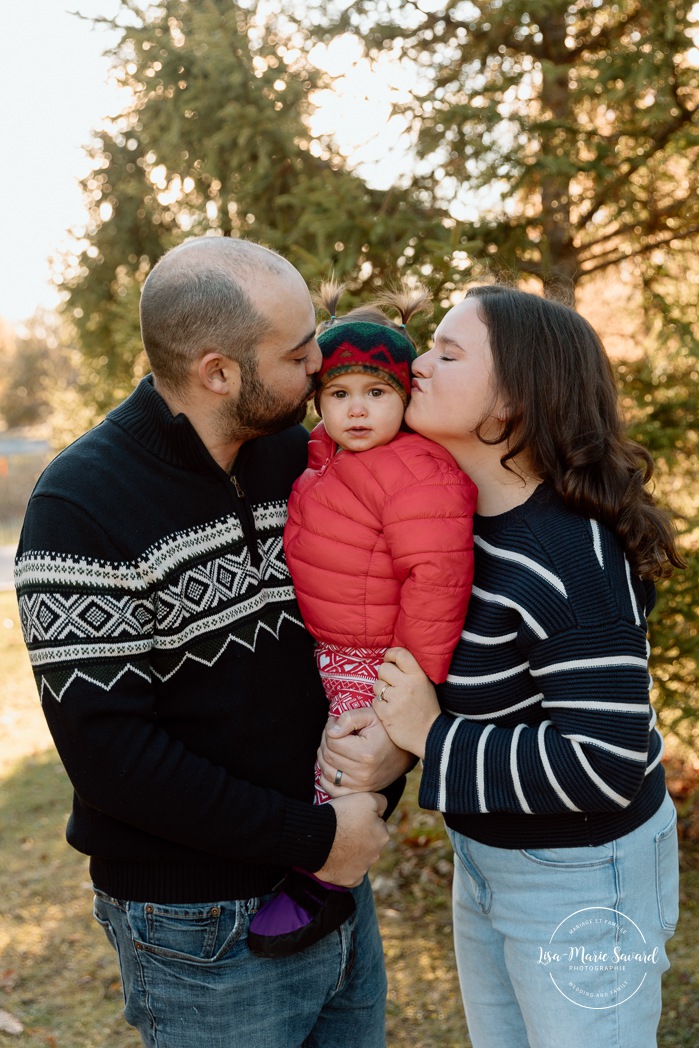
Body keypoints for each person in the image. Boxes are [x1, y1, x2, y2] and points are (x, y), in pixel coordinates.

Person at [14, 237, 412, 1048]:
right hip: (199, 929)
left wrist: (386, 768)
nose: (321, 367)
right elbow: (112, 758)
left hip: (336, 884)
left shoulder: (306, 456)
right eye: (300, 352)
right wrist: (317, 839)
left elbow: (380, 618)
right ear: (218, 372)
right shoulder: (81, 507)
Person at [323, 284, 683, 1048]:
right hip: (489, 857)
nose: (417, 364)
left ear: (511, 403)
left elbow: (605, 760)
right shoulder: (456, 522)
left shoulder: (567, 554)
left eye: (447, 353)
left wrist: (429, 734)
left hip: (583, 874)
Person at [247, 283, 477, 957]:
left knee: (348, 763)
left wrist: (407, 685)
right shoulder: (325, 455)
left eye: (376, 394)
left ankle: (327, 878)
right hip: (330, 642)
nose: (356, 409)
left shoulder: (414, 469)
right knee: (316, 751)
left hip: (377, 652)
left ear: (404, 399)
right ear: (318, 401)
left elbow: (437, 579)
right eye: (340, 393)